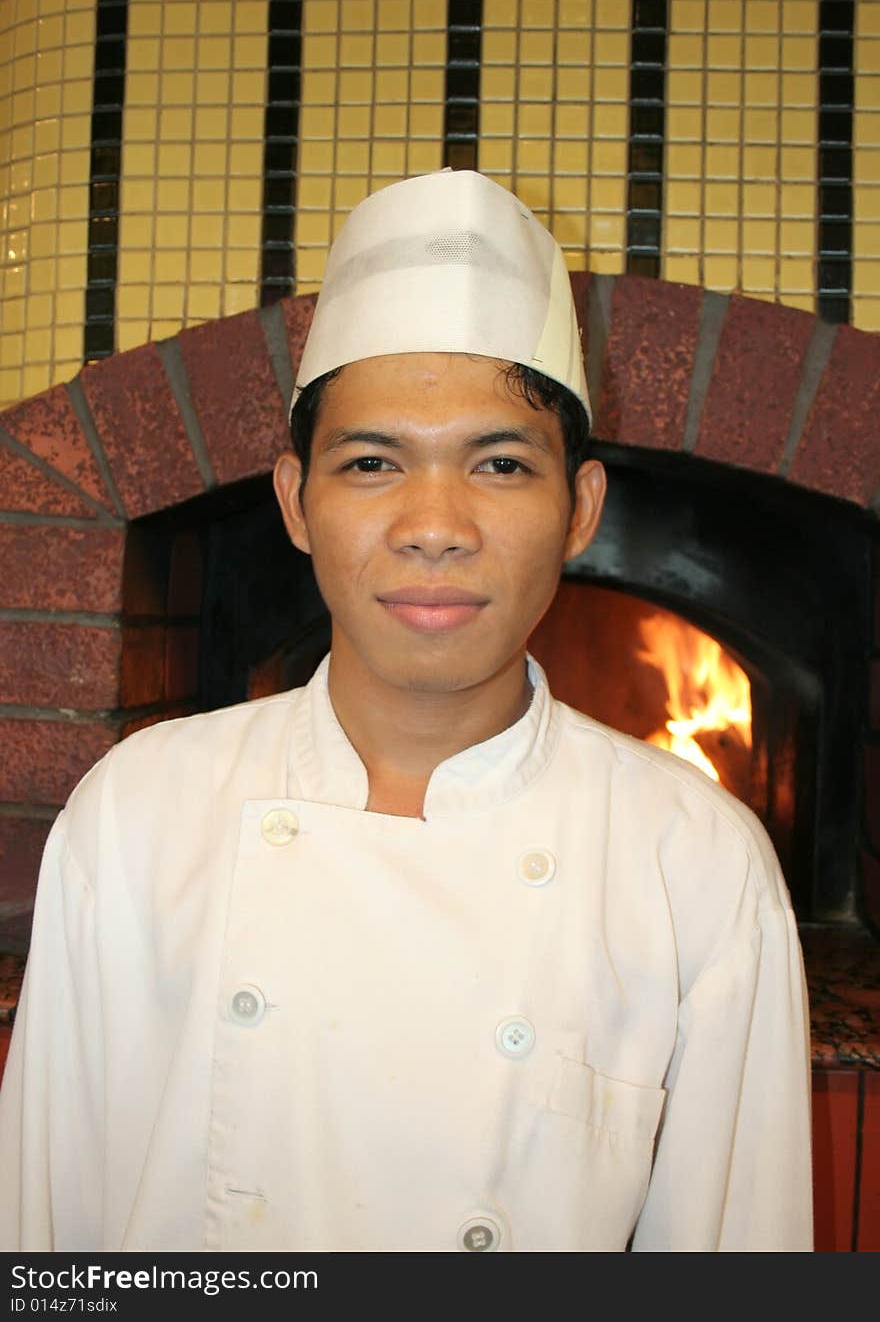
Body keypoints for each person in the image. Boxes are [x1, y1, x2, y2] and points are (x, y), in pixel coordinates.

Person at [0, 169, 813, 1252]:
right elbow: (42, 1237)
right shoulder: (138, 815)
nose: (435, 524)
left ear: (578, 510)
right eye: (374, 461)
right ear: (296, 502)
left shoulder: (696, 861)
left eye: (501, 462)